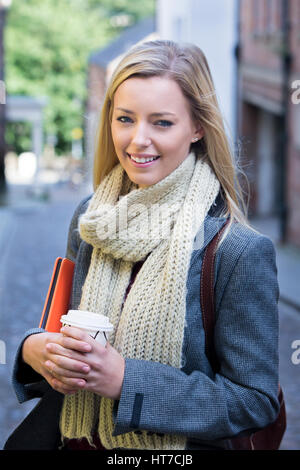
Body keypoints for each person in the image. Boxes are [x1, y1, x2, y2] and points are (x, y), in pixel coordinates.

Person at [7, 40, 280, 451]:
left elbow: (254, 402)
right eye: (125, 119)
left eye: (162, 123)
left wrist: (126, 382)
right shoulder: (90, 218)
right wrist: (34, 349)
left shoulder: (237, 250)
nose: (138, 140)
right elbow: (58, 328)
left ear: (198, 127)